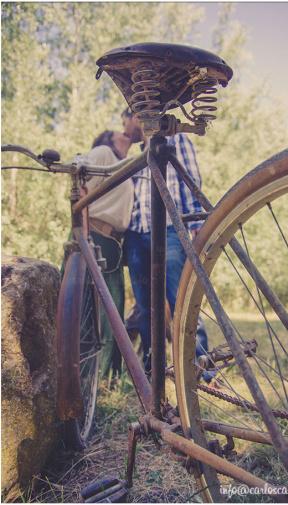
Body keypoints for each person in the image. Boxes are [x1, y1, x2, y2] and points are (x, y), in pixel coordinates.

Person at [121, 108, 210, 376]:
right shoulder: (138, 153)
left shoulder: (175, 140)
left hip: (170, 228)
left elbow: (190, 178)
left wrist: (195, 225)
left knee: (181, 298)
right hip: (137, 233)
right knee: (146, 305)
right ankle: (152, 368)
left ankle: (202, 368)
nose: (125, 127)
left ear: (137, 115)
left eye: (124, 120)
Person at [84, 130, 132, 383]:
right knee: (89, 310)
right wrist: (84, 238)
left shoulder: (125, 164)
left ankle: (106, 378)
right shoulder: (103, 153)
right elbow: (81, 191)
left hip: (114, 243)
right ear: (107, 139)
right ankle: (86, 376)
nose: (124, 133)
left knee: (112, 311)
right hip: (95, 235)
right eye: (118, 131)